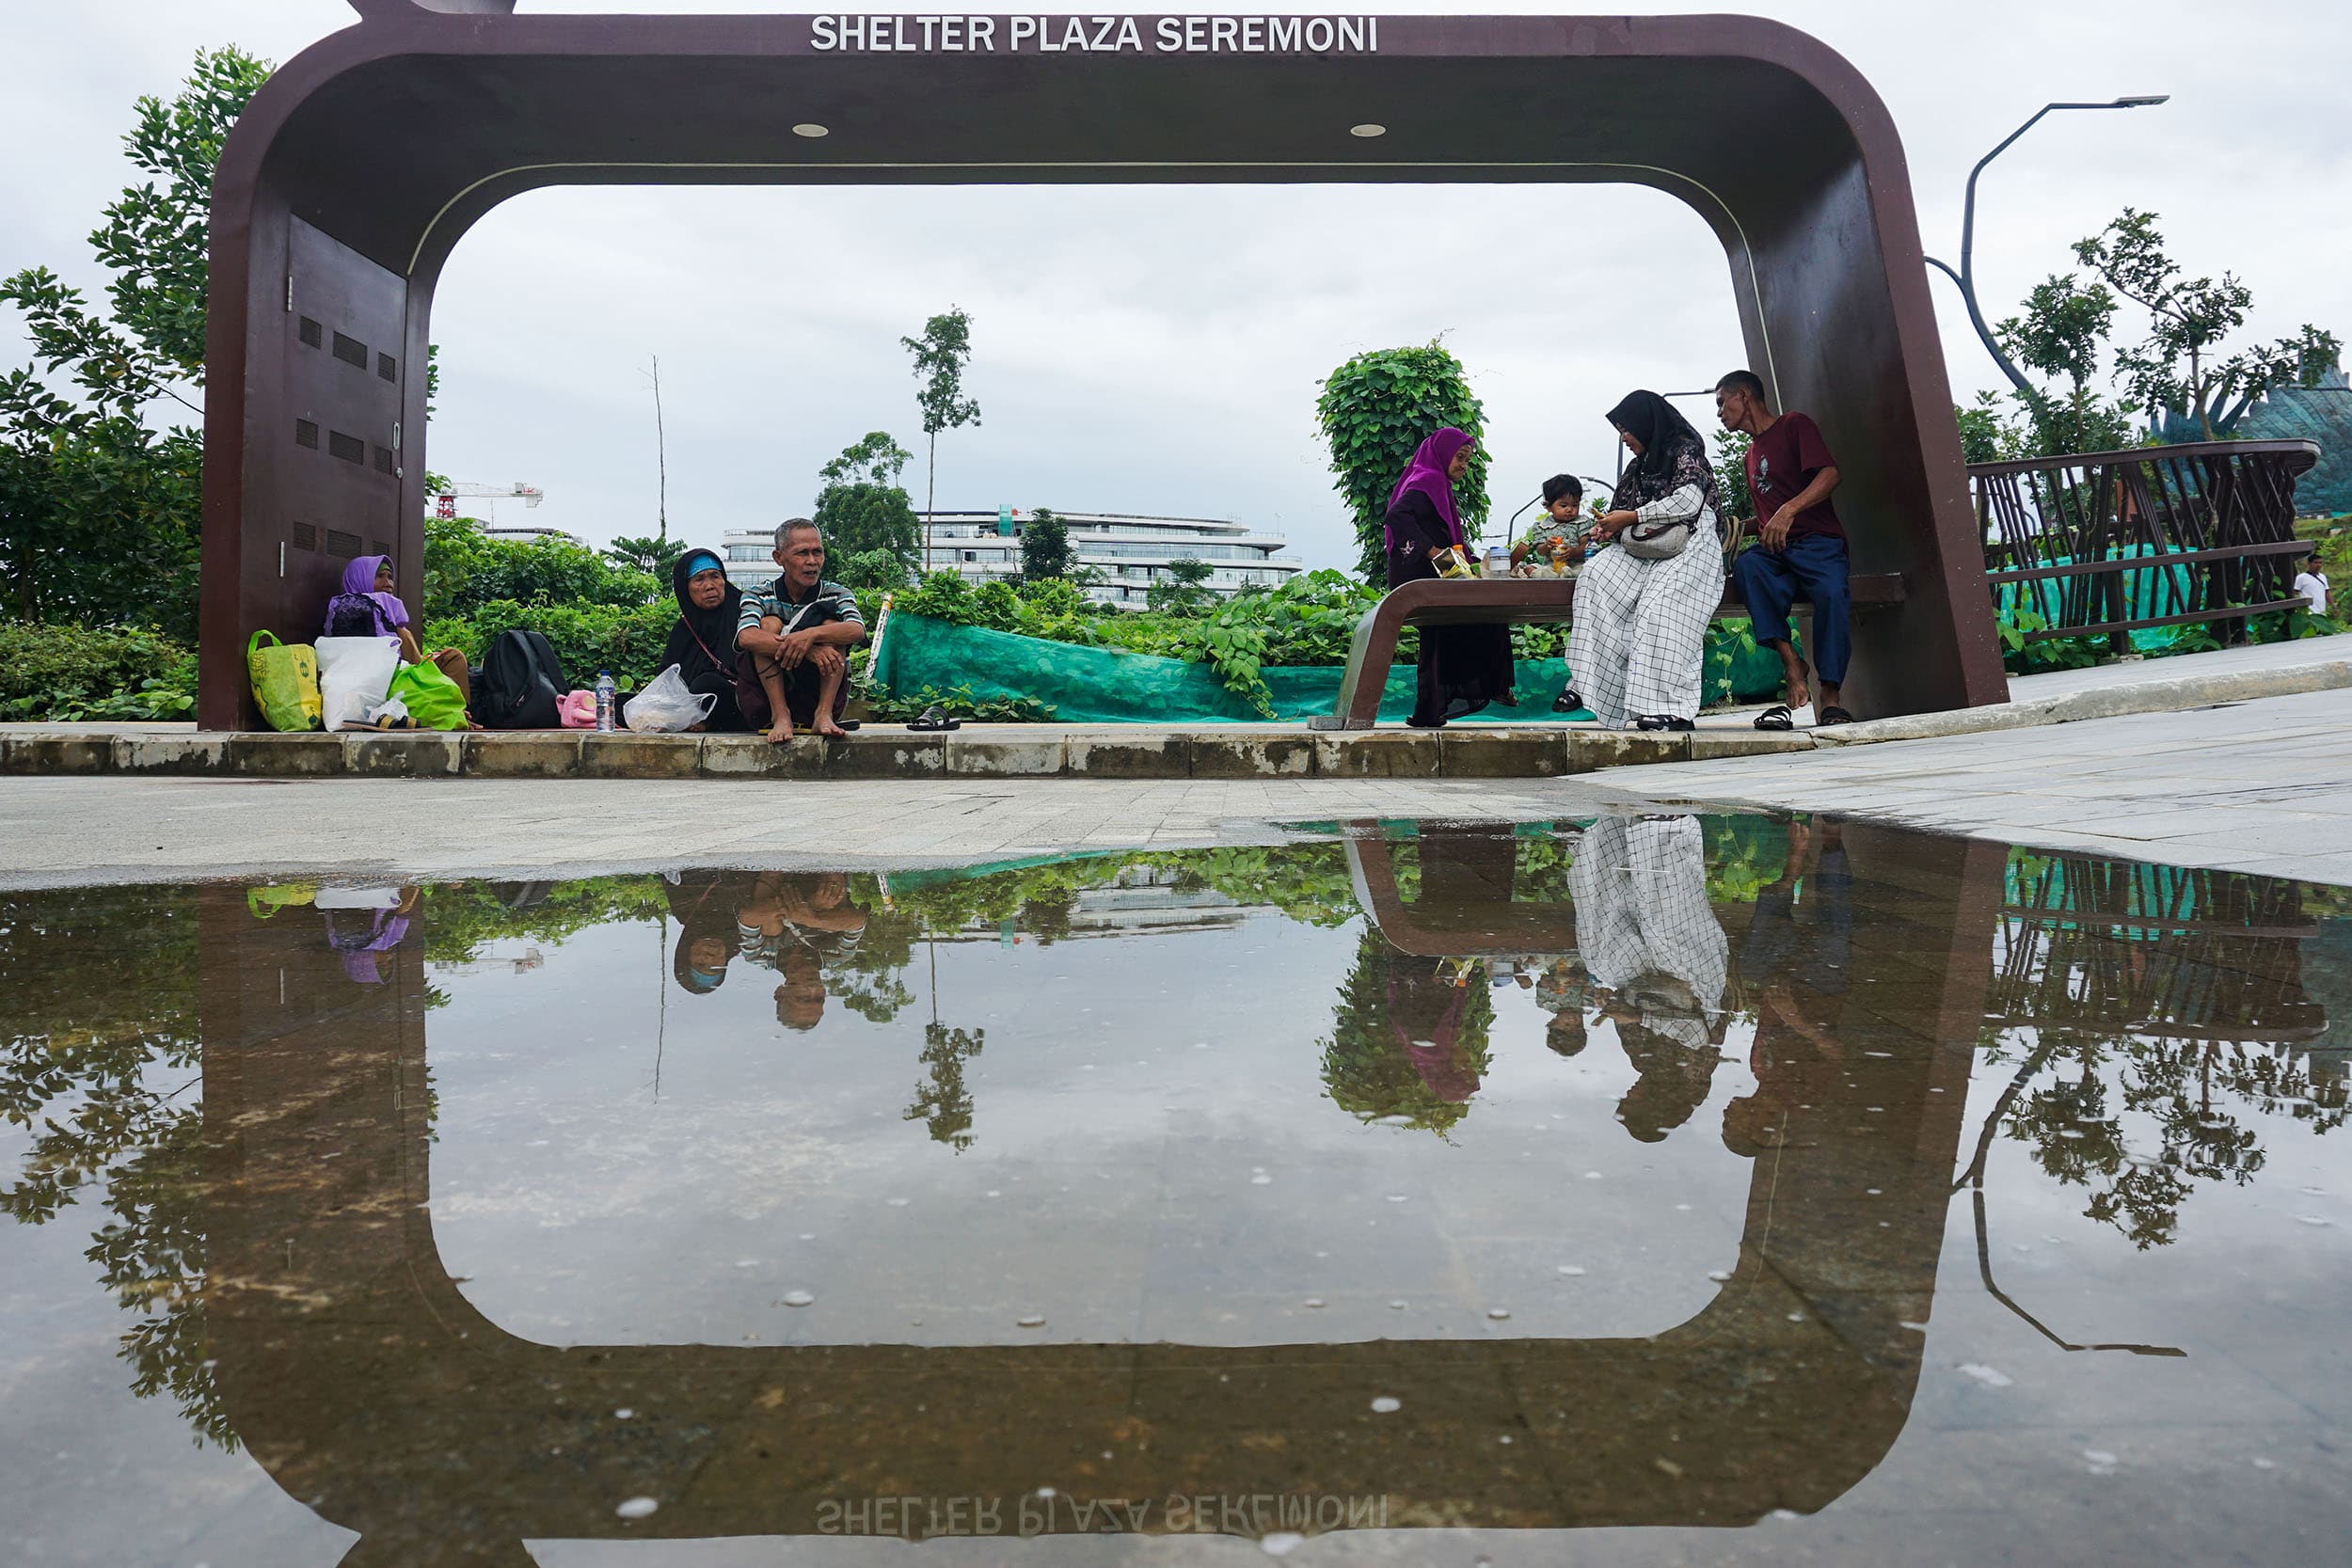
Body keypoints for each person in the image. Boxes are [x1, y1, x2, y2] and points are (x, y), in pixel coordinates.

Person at [1567, 392, 1724, 731]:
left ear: (1645, 424)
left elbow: (1688, 502)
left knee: (1659, 609)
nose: (1624, 438)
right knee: (1596, 575)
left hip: (1691, 541)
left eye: (1627, 429)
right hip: (1645, 546)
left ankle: (1671, 708)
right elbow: (1620, 513)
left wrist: (1633, 516)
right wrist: (1606, 527)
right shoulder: (1637, 467)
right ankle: (1594, 687)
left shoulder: (1685, 450)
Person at [1715, 370, 1853, 728]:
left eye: (1722, 403)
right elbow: (1767, 519)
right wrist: (1730, 527)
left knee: (1832, 593)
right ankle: (1791, 662)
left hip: (1817, 542)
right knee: (1748, 566)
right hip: (1776, 552)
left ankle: (1831, 699)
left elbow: (1830, 474)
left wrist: (1789, 510)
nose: (1719, 413)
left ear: (1744, 396)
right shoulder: (1749, 455)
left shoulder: (1794, 425)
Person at [1382, 427, 1513, 727]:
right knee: (1483, 610)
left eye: (1467, 460)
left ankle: (1430, 711)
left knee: (1441, 634)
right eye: (1460, 458)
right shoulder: (1428, 479)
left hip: (1432, 573)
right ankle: (1495, 684)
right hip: (1420, 575)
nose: (1464, 465)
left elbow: (1446, 536)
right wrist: (1433, 552)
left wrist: (1469, 561)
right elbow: (1396, 516)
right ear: (1442, 455)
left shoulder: (1434, 482)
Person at [734, 518, 866, 743]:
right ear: (779, 558)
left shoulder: (836, 593)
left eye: (817, 552)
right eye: (802, 553)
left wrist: (810, 636)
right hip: (765, 703)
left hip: (815, 691)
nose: (812, 561)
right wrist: (809, 651)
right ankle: (780, 715)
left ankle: (823, 714)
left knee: (832, 626)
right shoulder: (759, 594)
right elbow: (746, 636)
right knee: (768, 625)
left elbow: (857, 629)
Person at [322, 554, 474, 714]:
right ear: (360, 578)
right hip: (385, 677)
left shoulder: (386, 609)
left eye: (390, 577)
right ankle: (456, 713)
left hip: (405, 669)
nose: (388, 583)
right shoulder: (350, 608)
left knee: (453, 657)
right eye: (380, 576)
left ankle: (461, 710)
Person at [634, 547, 751, 732]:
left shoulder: (745, 614)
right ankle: (690, 719)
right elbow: (667, 678)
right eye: (699, 579)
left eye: (715, 576)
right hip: (690, 704)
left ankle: (704, 721)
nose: (710, 586)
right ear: (685, 588)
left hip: (742, 704)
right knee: (628, 703)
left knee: (707, 684)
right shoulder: (684, 629)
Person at [2295, 552, 2330, 617]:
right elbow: (2295, 593)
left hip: (2321, 612)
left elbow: (2327, 592)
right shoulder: (2301, 577)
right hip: (2308, 613)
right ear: (2309, 563)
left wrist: (2333, 605)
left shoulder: (2323, 577)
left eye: (2320, 563)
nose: (2318, 565)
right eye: (2316, 563)